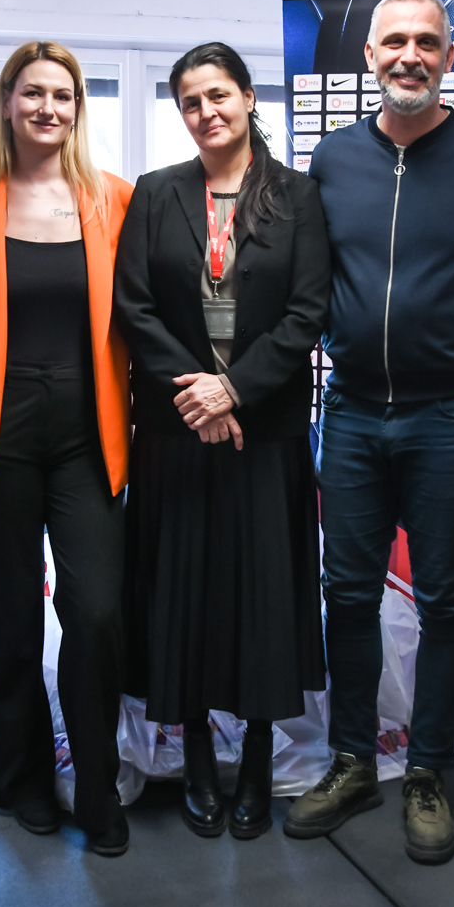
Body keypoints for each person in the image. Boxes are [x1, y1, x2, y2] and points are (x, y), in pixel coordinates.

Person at [283, 0, 454, 865]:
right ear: (369, 55)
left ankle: (427, 771)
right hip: (351, 410)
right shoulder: (333, 159)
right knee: (347, 594)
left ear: (449, 55)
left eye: (428, 41)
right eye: (395, 41)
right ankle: (349, 759)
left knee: (446, 598)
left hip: (451, 412)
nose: (411, 55)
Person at [114, 42, 330, 839]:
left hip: (264, 431)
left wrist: (234, 389)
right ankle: (197, 750)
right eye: (190, 101)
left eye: (219, 95)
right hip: (177, 429)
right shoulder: (156, 192)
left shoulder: (298, 196)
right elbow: (133, 306)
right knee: (184, 589)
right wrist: (199, 395)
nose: (207, 111)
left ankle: (259, 756)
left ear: (248, 97)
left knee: (262, 591)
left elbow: (307, 311)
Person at [0, 41, 137, 856]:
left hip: (89, 439)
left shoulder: (114, 199)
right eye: (33, 93)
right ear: (8, 103)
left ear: (78, 108)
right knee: (12, 615)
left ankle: (96, 779)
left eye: (64, 94)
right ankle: (22, 777)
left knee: (94, 613)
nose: (49, 107)